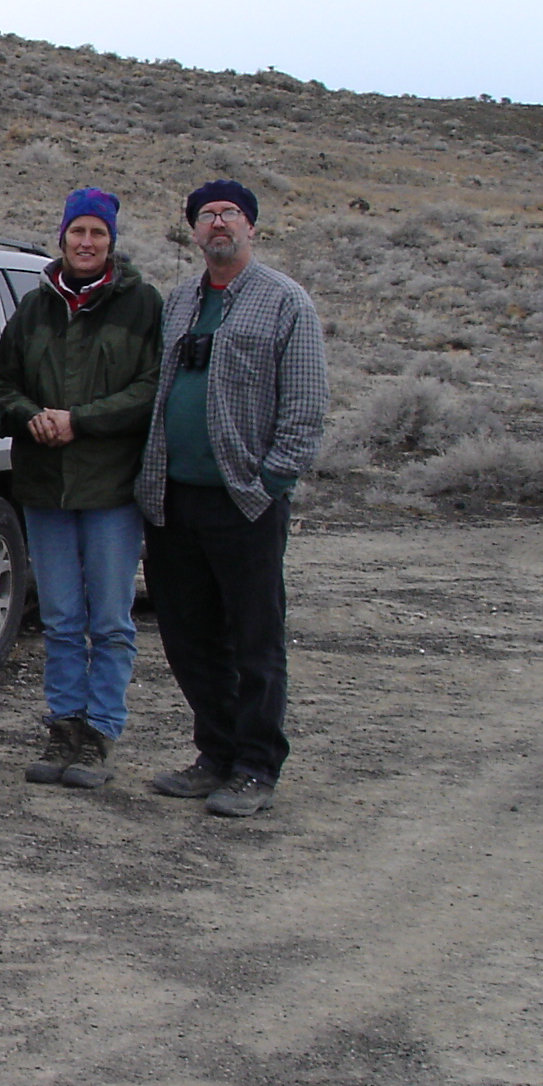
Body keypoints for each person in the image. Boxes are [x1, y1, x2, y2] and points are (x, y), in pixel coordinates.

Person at [135, 178, 329, 819]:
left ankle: (255, 765)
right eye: (206, 216)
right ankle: (214, 753)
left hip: (244, 500)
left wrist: (271, 482)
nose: (218, 224)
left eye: (230, 214)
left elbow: (304, 407)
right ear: (193, 230)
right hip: (173, 498)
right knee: (190, 637)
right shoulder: (182, 299)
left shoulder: (285, 303)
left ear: (251, 227)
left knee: (254, 638)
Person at [0, 188, 163, 789]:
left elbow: (150, 388)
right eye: (77, 233)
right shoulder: (36, 307)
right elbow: (3, 383)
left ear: (111, 240)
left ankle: (100, 731)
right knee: (62, 617)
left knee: (111, 620)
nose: (86, 243)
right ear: (61, 237)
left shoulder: (141, 305)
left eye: (97, 233)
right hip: (45, 486)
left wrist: (80, 419)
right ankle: (63, 727)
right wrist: (30, 414)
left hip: (110, 487)